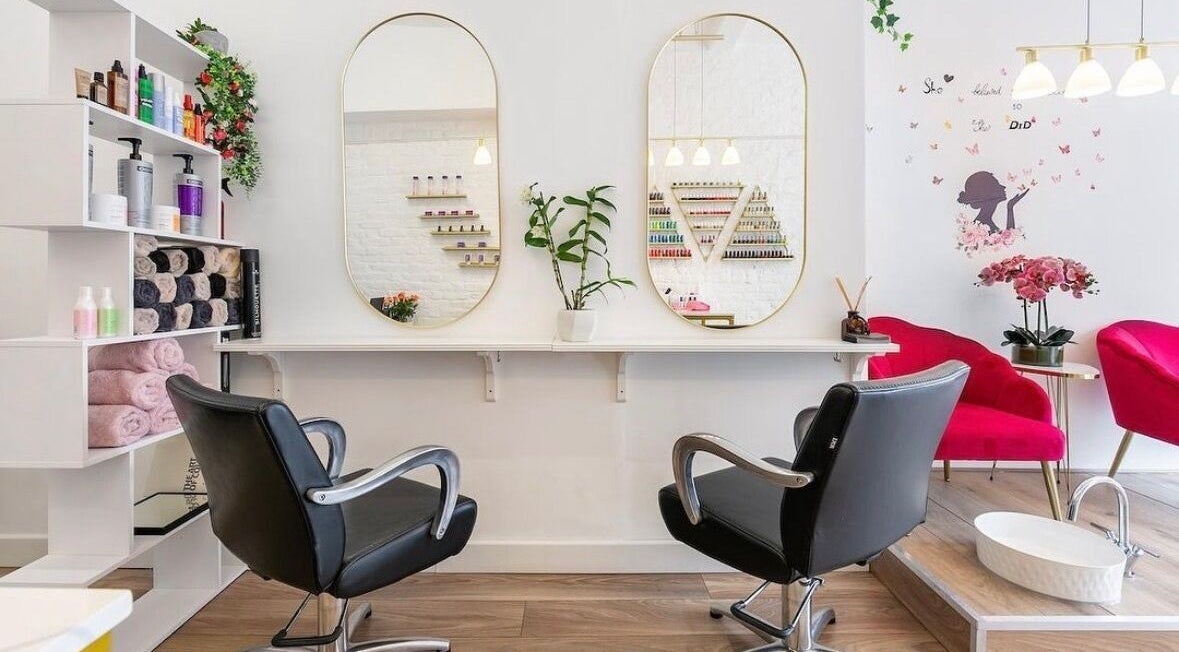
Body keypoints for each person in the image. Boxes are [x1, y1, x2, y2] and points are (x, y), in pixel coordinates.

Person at [957, 171, 1029, 234]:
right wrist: (1010, 207)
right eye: (996, 185)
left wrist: (1010, 207)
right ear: (987, 192)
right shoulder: (982, 226)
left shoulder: (985, 221)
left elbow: (1008, 240)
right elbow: (1007, 245)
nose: (1003, 187)